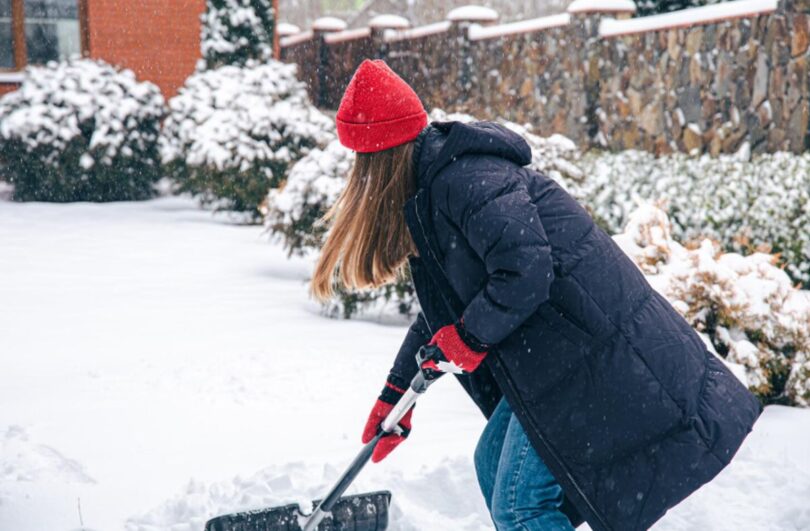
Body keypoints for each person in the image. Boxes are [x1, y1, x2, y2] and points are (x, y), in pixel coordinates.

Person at [311, 59, 762, 531]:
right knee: (492, 467)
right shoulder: (434, 189)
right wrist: (396, 392)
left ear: (380, 159)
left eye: (361, 163)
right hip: (559, 360)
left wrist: (468, 338)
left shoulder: (465, 181)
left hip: (593, 357)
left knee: (520, 503)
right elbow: (445, 312)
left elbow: (525, 270)